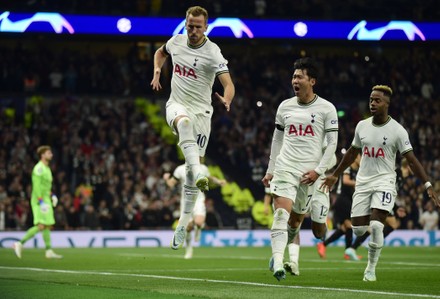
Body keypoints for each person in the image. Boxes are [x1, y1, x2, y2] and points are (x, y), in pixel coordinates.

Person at [321, 85, 440, 282]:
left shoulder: (398, 131)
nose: (373, 103)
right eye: (371, 100)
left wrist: (428, 184)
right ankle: (367, 233)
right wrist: (335, 174)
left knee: (377, 226)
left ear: (387, 104)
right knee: (359, 229)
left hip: (385, 181)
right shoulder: (362, 126)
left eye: (377, 100)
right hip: (363, 182)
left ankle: (370, 269)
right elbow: (352, 153)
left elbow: (411, 160)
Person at [151, 5, 235, 250]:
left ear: (206, 27)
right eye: (190, 26)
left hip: (203, 114)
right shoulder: (176, 41)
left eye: (198, 27)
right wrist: (157, 71)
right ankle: (199, 171)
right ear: (185, 23)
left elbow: (228, 84)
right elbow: (160, 52)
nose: (193, 30)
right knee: (183, 123)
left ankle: (182, 224)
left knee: (189, 174)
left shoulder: (213, 52)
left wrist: (227, 99)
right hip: (176, 105)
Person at [262, 57, 338, 281]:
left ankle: (289, 247)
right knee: (280, 214)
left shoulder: (327, 109)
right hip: (286, 166)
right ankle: (277, 261)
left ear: (312, 81)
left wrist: (318, 171)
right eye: (293, 76)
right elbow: (277, 140)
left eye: (299, 77)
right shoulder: (285, 106)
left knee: (298, 223)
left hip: (310, 173)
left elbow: (332, 144)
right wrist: (271, 168)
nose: (294, 80)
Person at [163, 162, 226, 259]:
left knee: (199, 222)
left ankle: (198, 227)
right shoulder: (180, 169)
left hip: (199, 200)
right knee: (188, 228)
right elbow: (171, 184)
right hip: (185, 202)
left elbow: (209, 178)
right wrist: (167, 179)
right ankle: (189, 249)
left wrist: (218, 181)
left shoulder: (203, 168)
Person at [13, 146, 63, 259]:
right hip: (39, 200)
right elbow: (36, 187)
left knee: (47, 225)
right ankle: (19, 243)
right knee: (41, 225)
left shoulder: (47, 168)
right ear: (42, 155)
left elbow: (45, 187)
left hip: (46, 199)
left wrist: (52, 195)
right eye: (49, 153)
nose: (51, 155)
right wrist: (41, 202)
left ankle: (49, 251)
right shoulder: (39, 168)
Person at [316, 153, 361, 261]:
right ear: (355, 157)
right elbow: (345, 181)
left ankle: (323, 245)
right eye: (360, 156)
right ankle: (348, 251)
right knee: (349, 226)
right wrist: (359, 182)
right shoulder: (348, 168)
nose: (362, 159)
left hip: (348, 200)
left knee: (345, 228)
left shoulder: (357, 171)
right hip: (342, 200)